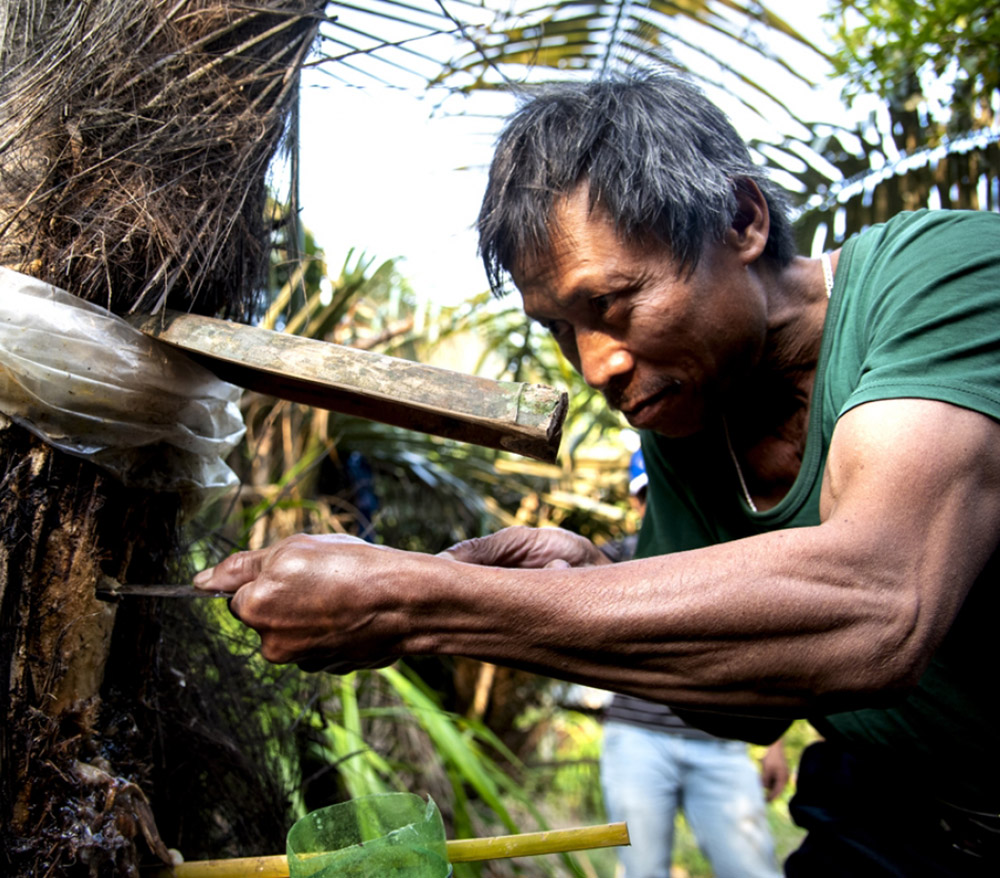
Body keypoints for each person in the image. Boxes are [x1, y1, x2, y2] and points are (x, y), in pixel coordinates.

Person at [195, 72, 1000, 875]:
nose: (594, 366)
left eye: (613, 303)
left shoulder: (943, 278)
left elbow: (879, 605)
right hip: (889, 814)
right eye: (558, 330)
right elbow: (748, 710)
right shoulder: (691, 412)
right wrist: (580, 580)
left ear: (743, 220)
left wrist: (416, 600)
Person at [601, 449, 788, 878]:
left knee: (753, 867)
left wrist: (772, 745)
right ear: (637, 501)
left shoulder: (736, 562)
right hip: (638, 738)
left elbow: (768, 656)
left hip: (722, 742)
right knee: (642, 868)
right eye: (650, 494)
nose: (663, 503)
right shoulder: (616, 560)